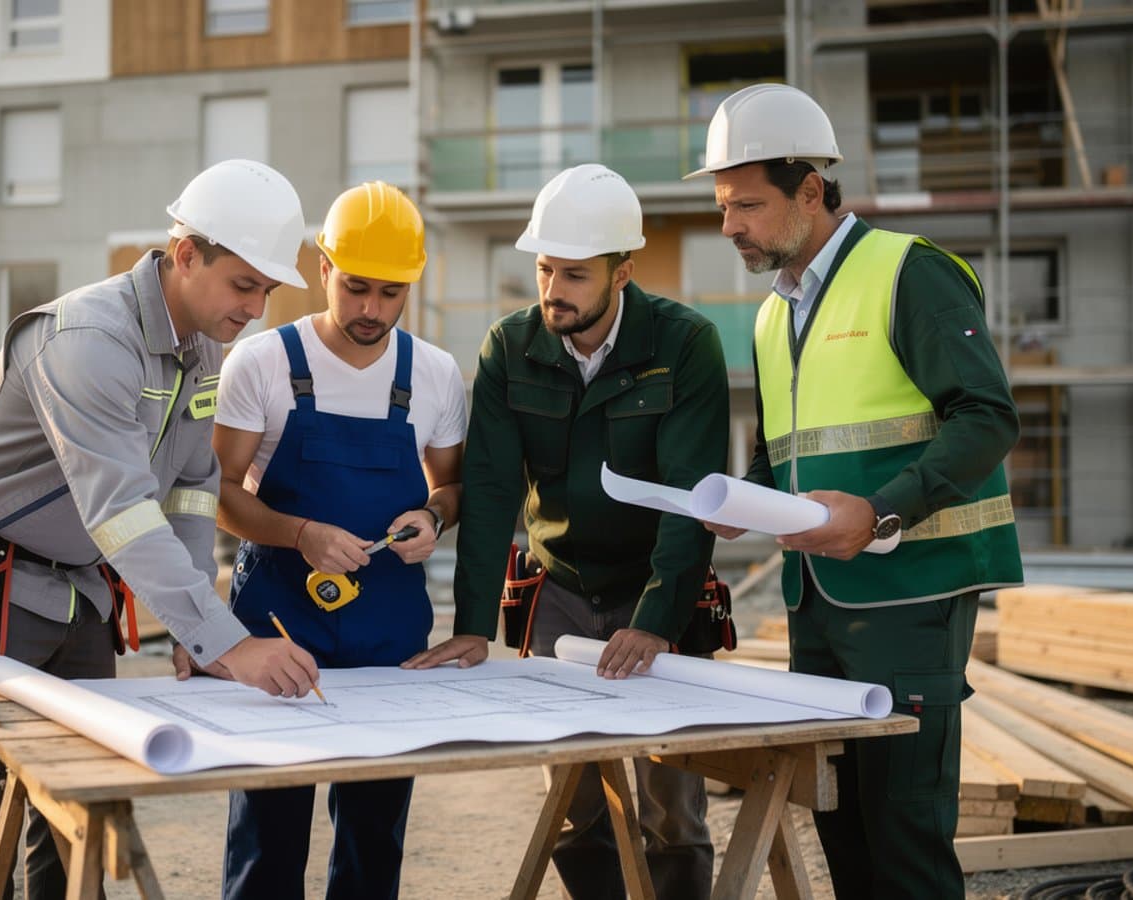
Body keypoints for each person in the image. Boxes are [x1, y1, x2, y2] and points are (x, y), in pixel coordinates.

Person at [0, 159, 322, 900]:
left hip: (80, 589)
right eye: (245, 285)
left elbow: (195, 489)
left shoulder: (202, 351)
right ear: (187, 254)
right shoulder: (86, 341)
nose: (258, 310)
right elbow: (123, 509)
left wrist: (195, 636)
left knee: (80, 814)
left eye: (267, 291)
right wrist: (228, 643)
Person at [688, 83, 1024, 899]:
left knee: (906, 836)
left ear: (811, 190)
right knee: (840, 824)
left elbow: (987, 417)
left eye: (748, 206)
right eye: (725, 206)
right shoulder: (773, 316)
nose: (729, 225)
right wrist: (744, 499)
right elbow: (788, 449)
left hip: (912, 594)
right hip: (818, 602)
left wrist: (879, 512)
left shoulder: (910, 273)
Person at [406, 163, 729, 898]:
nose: (554, 291)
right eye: (546, 269)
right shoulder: (509, 348)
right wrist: (473, 623)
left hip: (657, 586)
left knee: (670, 802)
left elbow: (690, 498)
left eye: (576, 274)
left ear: (624, 272)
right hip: (561, 591)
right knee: (575, 800)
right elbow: (489, 495)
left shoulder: (685, 344)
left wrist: (657, 622)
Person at [211, 181, 465, 900]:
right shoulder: (260, 364)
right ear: (323, 267)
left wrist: (434, 519)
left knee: (373, 837)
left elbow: (452, 489)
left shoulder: (436, 375)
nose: (371, 311)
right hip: (279, 623)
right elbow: (220, 494)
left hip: (390, 634)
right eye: (356, 289)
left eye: (391, 294)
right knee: (268, 831)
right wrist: (300, 533)